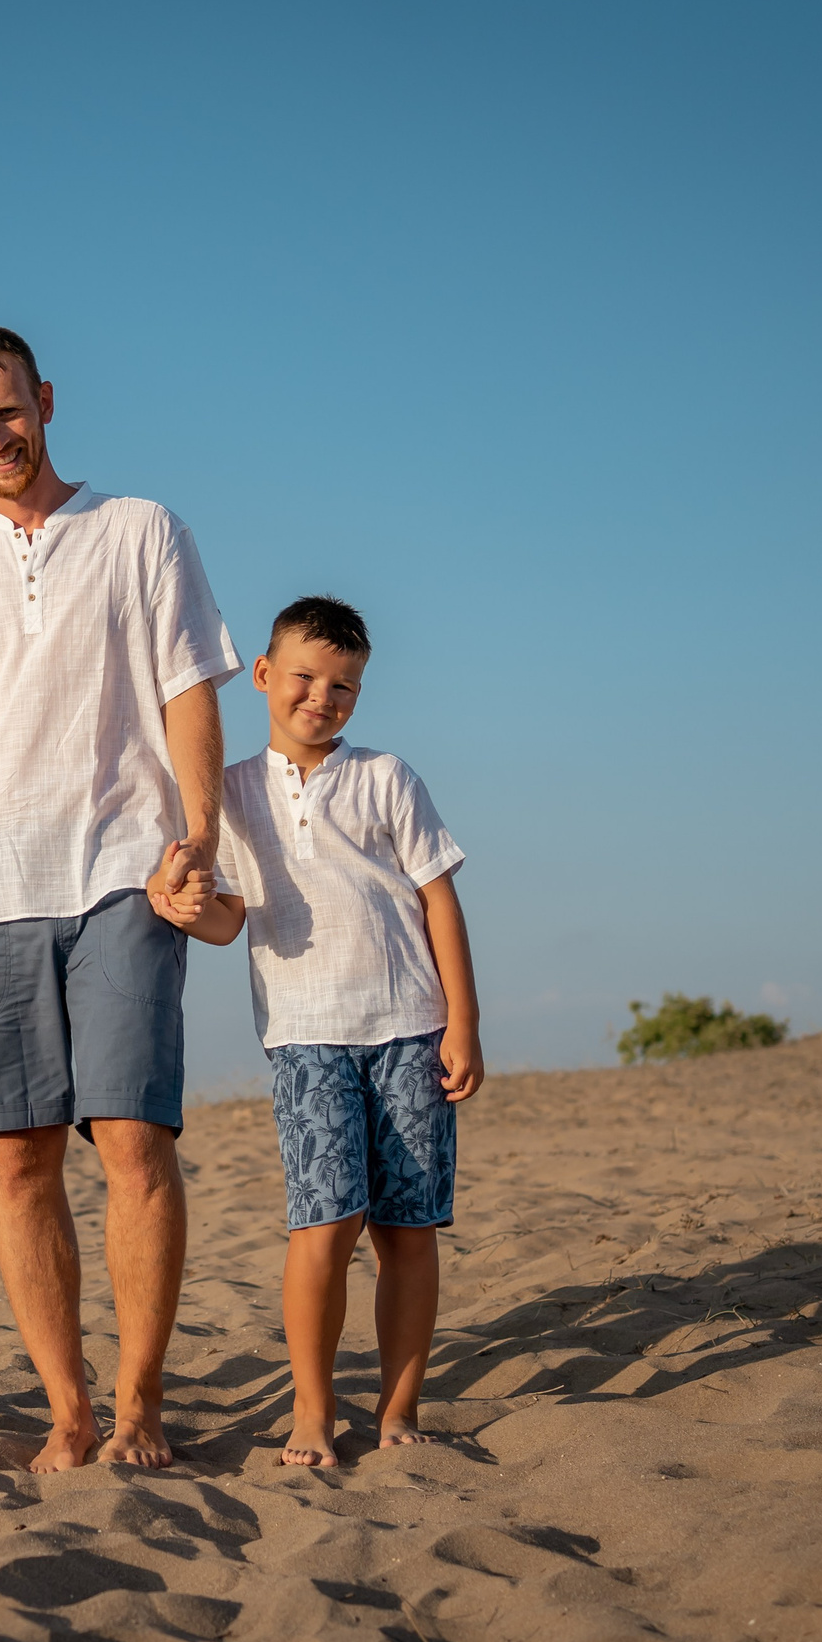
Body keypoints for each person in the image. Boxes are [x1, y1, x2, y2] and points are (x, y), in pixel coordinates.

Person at [0, 326, 241, 1472]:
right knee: (19, 1161)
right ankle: (68, 1410)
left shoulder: (140, 530)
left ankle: (139, 1405)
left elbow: (188, 695)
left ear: (45, 401)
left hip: (125, 868)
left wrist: (200, 834)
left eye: (9, 413)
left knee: (130, 1140)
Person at [148, 595, 483, 1467]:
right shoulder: (228, 793)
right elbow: (227, 921)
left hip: (410, 1027)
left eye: (343, 686)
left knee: (407, 1232)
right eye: (304, 676)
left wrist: (464, 1021)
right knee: (323, 1226)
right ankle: (311, 1410)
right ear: (263, 676)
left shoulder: (386, 777)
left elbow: (438, 899)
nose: (321, 697)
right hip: (303, 1035)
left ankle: (400, 1407)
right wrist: (178, 903)